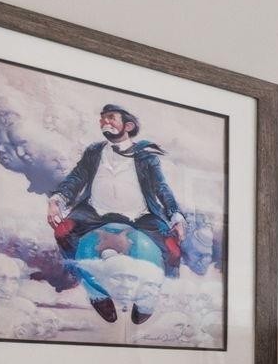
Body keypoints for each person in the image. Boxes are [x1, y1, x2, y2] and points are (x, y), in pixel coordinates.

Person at [45, 104, 186, 323]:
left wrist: (176, 215)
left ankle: (149, 297)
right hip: (95, 212)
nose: (104, 122)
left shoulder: (146, 157)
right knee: (62, 233)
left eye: (111, 118)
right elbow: (76, 178)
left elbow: (161, 187)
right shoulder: (94, 152)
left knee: (173, 249)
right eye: (102, 119)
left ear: (128, 125)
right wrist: (57, 200)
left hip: (139, 215)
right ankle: (96, 293)